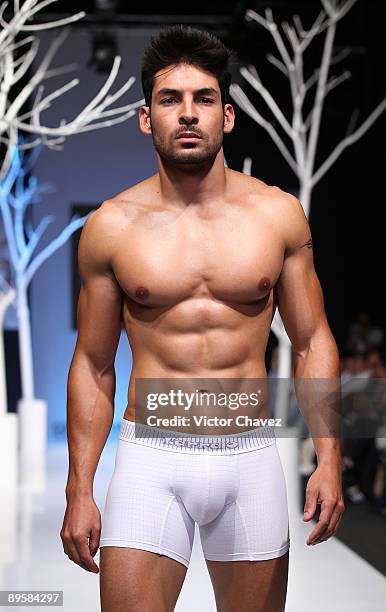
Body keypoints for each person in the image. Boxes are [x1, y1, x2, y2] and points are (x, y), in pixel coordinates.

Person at [60, 25, 345, 612]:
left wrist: (330, 456)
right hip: (151, 457)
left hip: (249, 460)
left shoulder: (277, 216)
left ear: (228, 116)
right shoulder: (111, 227)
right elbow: (92, 364)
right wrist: (80, 488)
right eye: (170, 99)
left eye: (204, 99)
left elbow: (311, 338)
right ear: (146, 118)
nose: (187, 114)